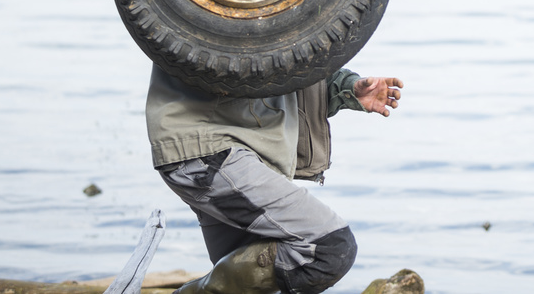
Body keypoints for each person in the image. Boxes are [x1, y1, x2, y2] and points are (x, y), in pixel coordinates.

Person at [146, 65, 403, 294]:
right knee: (328, 248)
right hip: (211, 146)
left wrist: (346, 88)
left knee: (248, 277)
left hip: (244, 151)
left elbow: (295, 66)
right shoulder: (225, 14)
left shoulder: (278, 17)